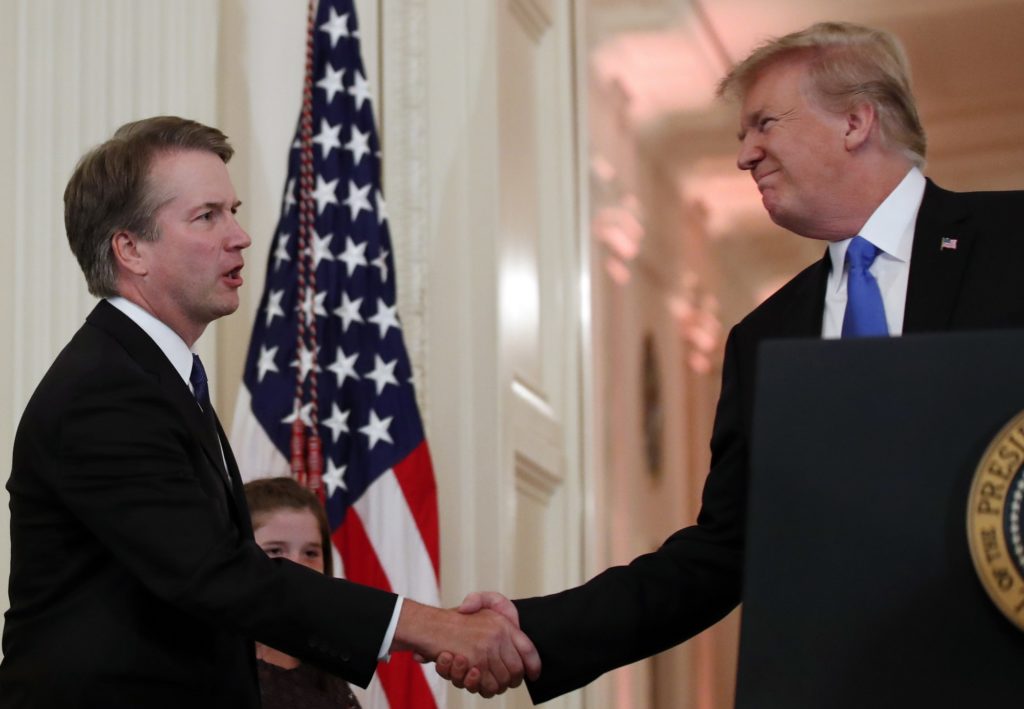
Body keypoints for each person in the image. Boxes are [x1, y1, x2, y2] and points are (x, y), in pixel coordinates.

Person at [436, 21, 1024, 702]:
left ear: (856, 121)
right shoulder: (764, 337)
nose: (745, 154)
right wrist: (535, 627)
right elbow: (721, 555)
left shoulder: (1011, 246)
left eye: (764, 123)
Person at [0, 116, 538, 707]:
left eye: (233, 210)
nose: (241, 235)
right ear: (130, 249)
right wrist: (429, 626)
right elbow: (217, 575)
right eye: (208, 216)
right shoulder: (105, 391)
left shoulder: (156, 380)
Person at [245, 477, 361, 709]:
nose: (297, 567)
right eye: (276, 550)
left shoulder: (323, 659)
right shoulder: (217, 663)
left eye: (310, 553)